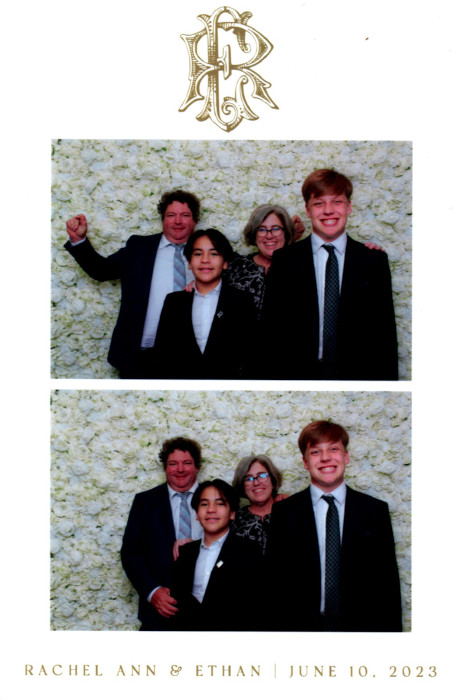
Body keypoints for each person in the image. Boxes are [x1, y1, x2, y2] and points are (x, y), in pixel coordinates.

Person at [266, 420, 402, 632]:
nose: (325, 457)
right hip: (300, 628)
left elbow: (388, 583)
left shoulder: (375, 511)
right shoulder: (284, 512)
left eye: (334, 449)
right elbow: (274, 583)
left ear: (346, 457)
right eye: (315, 452)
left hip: (362, 629)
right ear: (305, 462)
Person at [262, 169, 398, 379]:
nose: (328, 211)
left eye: (337, 202)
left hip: (357, 377)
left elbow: (384, 334)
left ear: (349, 207)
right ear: (307, 210)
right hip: (296, 375)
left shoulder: (373, 261)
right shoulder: (285, 259)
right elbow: (271, 331)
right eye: (319, 203)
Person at [64, 190, 200, 378]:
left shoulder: (208, 252)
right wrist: (78, 240)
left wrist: (204, 284)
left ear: (194, 220)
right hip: (140, 356)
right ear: (163, 219)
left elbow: (231, 278)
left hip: (190, 357)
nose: (177, 221)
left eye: (185, 215)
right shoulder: (139, 247)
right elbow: (101, 271)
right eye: (171, 215)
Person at [120, 436, 203, 631]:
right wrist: (152, 592)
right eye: (173, 464)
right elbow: (130, 554)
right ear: (165, 468)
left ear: (197, 467)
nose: (180, 469)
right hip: (158, 614)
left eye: (187, 463)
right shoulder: (145, 502)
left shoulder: (215, 499)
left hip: (207, 611)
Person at [154, 229, 257, 378]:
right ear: (189, 263)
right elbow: (162, 355)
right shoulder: (174, 302)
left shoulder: (242, 301)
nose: (205, 260)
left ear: (225, 263)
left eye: (214, 254)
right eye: (198, 254)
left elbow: (251, 356)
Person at [170, 480, 263, 631]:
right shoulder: (185, 553)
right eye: (204, 504)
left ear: (232, 513)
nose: (211, 510)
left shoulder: (249, 552)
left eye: (219, 504)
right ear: (196, 514)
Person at [225, 204, 298, 315]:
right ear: (254, 234)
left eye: (276, 228)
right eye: (262, 229)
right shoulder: (236, 267)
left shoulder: (299, 268)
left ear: (286, 233)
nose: (269, 236)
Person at [231, 454, 284, 554]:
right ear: (242, 486)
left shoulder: (290, 513)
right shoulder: (234, 520)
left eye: (262, 476)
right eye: (249, 479)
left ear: (273, 480)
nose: (256, 483)